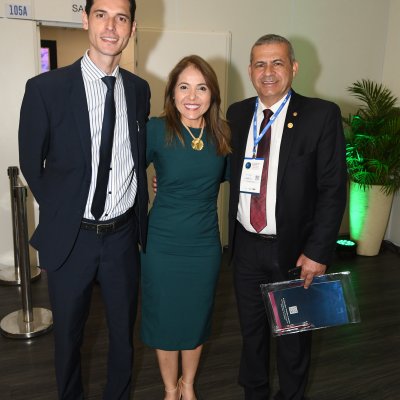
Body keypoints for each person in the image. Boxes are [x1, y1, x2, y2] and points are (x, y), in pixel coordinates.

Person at [18, 1, 150, 399]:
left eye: (121, 18)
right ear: (85, 20)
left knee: (123, 337)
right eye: (101, 15)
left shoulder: (140, 90)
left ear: (131, 28)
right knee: (68, 339)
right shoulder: (46, 88)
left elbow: (136, 158)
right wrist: (63, 212)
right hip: (72, 239)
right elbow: (31, 161)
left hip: (123, 237)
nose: (111, 26)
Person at [227, 34, 347, 400]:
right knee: (252, 336)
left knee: (294, 339)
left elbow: (333, 189)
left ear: (293, 67)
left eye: (277, 62)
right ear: (250, 70)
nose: (268, 72)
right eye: (260, 63)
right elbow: (227, 168)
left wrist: (318, 252)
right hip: (246, 247)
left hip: (296, 251)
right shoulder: (238, 113)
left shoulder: (320, 115)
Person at [140, 55, 230, 400]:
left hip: (204, 244)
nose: (192, 96)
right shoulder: (155, 129)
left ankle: (188, 385)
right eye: (184, 87)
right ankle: (168, 389)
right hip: (162, 243)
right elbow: (128, 172)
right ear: (173, 93)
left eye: (201, 87)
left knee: (195, 317)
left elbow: (235, 179)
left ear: (212, 94)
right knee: (164, 318)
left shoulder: (223, 134)